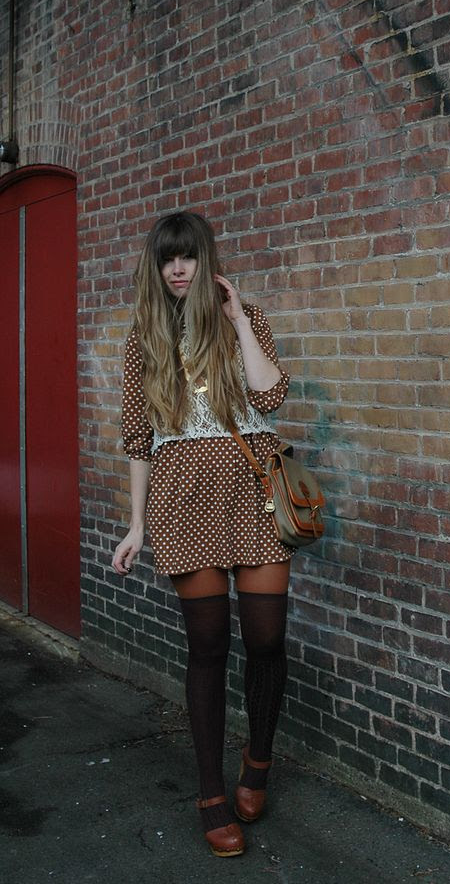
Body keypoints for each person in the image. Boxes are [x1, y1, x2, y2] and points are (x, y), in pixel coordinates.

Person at [111, 210, 292, 858]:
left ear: (206, 259)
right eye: (168, 258)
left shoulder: (247, 319)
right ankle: (211, 793)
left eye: (188, 256)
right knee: (208, 647)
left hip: (253, 493)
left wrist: (238, 319)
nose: (179, 268)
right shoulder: (144, 339)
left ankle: (258, 760)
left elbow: (270, 398)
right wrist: (136, 525)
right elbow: (139, 440)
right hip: (181, 498)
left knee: (267, 639)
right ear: (156, 267)